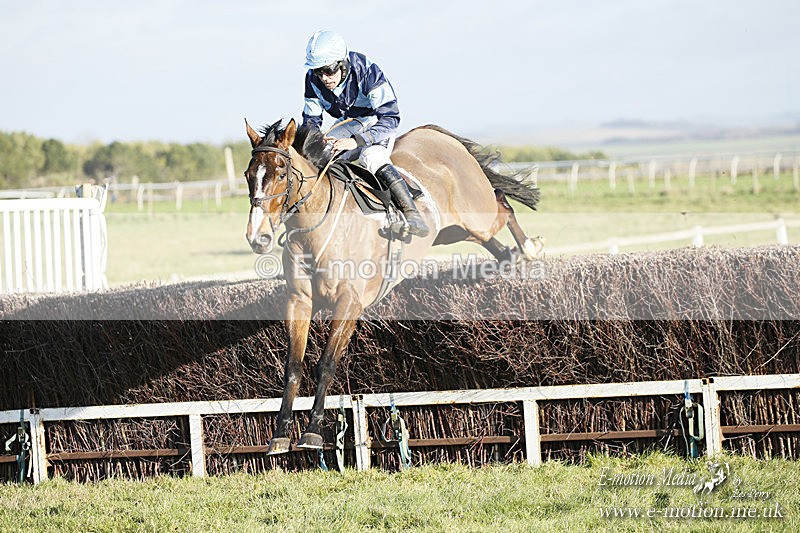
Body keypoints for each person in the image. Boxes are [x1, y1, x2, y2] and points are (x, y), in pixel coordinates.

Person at [301, 30, 429, 238]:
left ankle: (411, 213)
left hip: (378, 122)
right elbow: (311, 123)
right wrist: (315, 140)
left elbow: (391, 118)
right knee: (319, 155)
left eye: (328, 70)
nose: (324, 78)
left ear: (342, 63)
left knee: (371, 156)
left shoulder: (367, 71)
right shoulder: (312, 80)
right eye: (318, 72)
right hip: (350, 122)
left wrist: (356, 142)